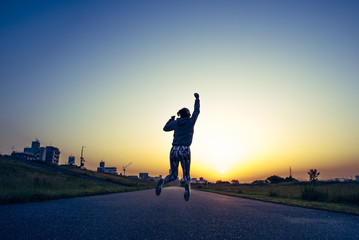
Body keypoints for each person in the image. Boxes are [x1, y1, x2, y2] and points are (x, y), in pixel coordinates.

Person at [156, 93, 200, 201]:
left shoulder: (176, 123)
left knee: (173, 174)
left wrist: (171, 120)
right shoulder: (190, 121)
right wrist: (197, 99)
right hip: (185, 150)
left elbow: (165, 128)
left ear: (179, 115)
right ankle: (187, 186)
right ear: (188, 115)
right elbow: (197, 111)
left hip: (174, 150)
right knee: (186, 174)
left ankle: (163, 183)